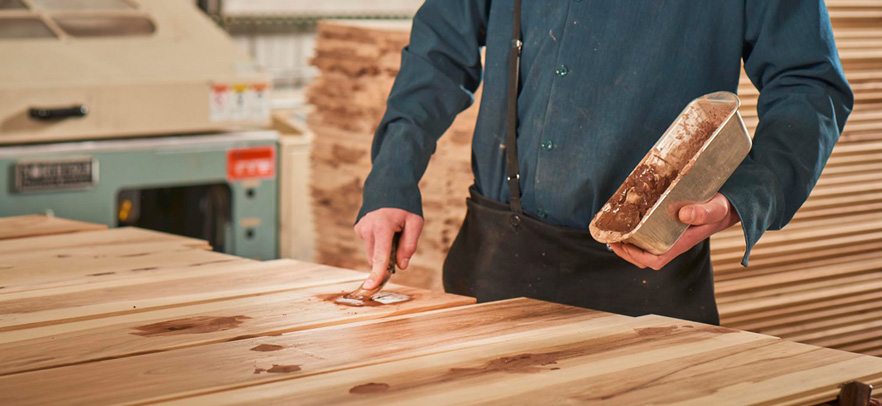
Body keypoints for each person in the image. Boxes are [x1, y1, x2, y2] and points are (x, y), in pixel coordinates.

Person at [353, 0, 852, 325]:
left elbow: (809, 85)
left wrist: (742, 199)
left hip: (649, 279)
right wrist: (392, 179)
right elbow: (438, 54)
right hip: (494, 263)